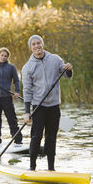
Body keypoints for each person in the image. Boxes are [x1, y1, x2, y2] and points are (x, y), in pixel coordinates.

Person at [22, 35, 73, 171]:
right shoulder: (27, 67)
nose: (37, 46)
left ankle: (51, 168)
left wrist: (69, 69)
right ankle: (32, 167)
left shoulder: (55, 59)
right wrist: (27, 112)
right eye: (34, 44)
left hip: (54, 106)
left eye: (39, 43)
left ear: (42, 44)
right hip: (39, 106)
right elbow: (27, 91)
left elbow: (67, 75)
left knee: (51, 138)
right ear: (31, 48)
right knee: (36, 136)